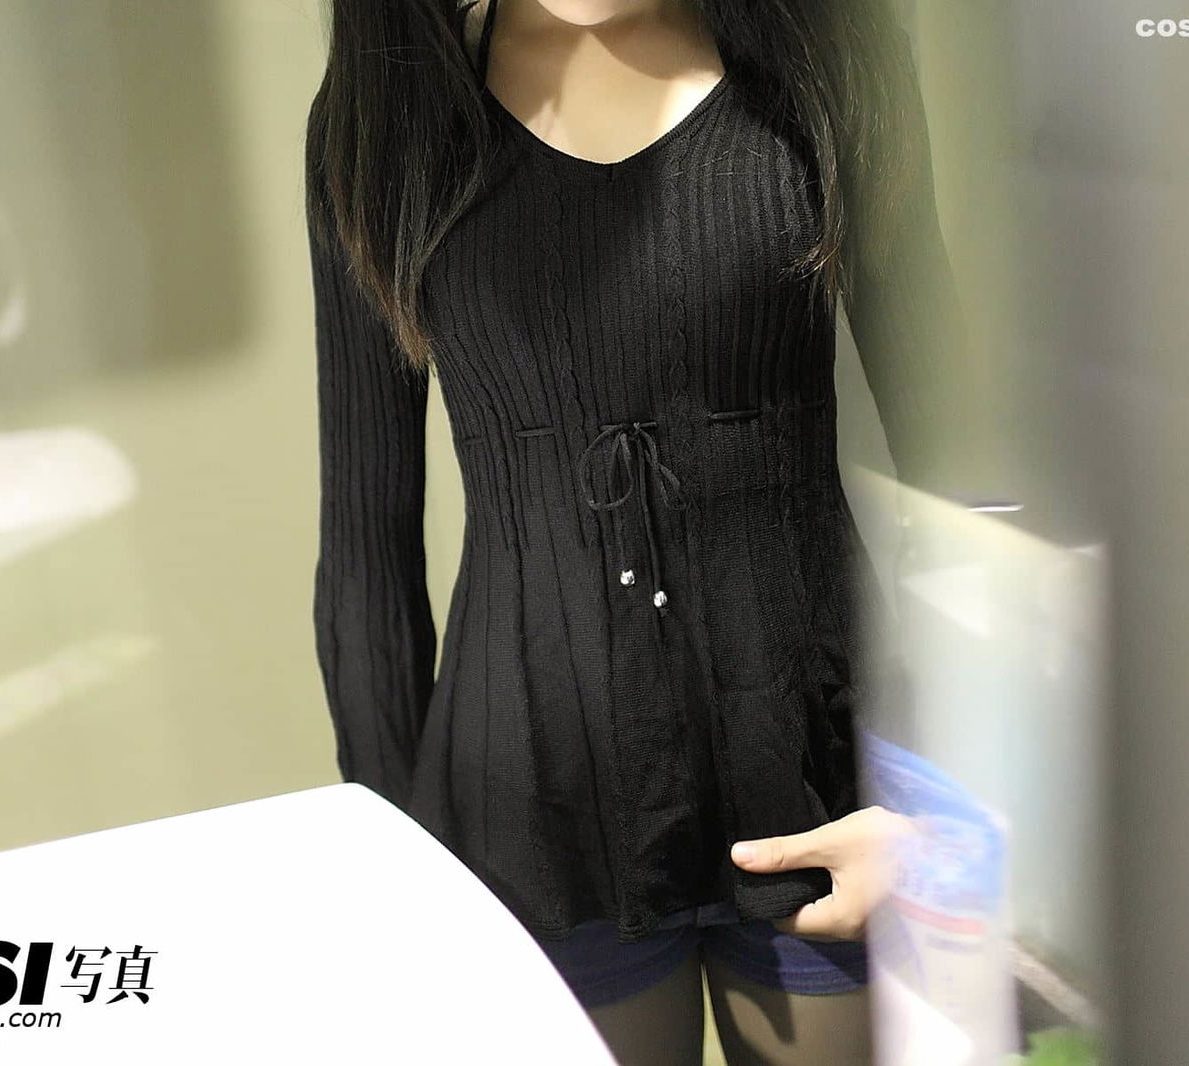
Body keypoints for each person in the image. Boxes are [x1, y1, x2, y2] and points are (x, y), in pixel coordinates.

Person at [305, 1, 964, 1061]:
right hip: (528, 812)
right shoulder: (390, 110)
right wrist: (399, 868)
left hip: (822, 781)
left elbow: (960, 463)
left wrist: (947, 813)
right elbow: (366, 551)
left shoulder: (835, 52)